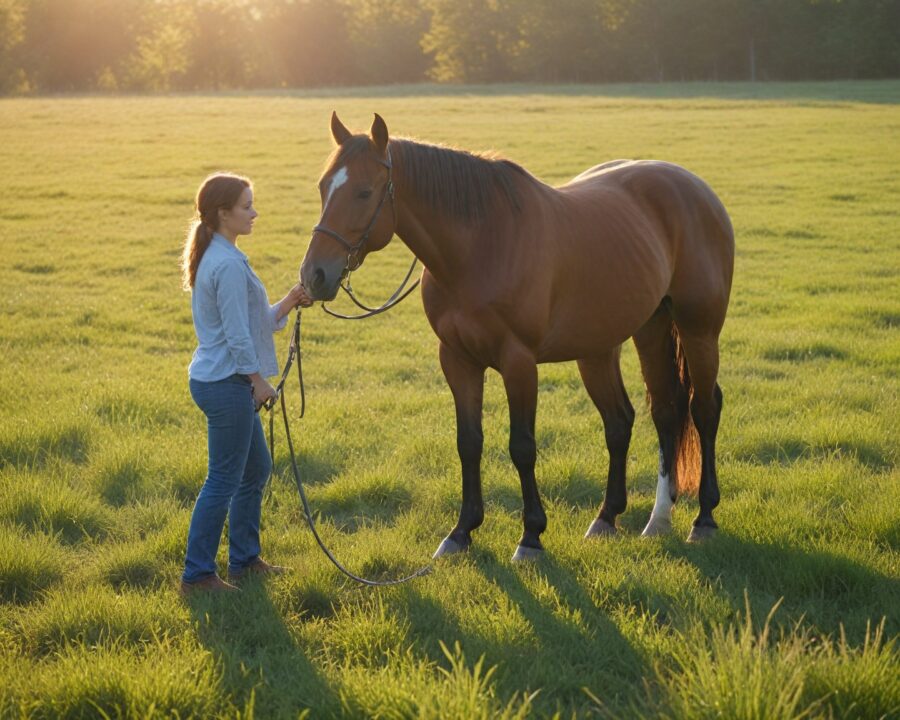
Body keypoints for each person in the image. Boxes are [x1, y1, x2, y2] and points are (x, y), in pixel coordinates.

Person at [180, 172, 312, 594]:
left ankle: (245, 560)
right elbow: (238, 337)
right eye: (247, 206)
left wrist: (290, 301)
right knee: (223, 479)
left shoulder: (224, 256)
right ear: (223, 213)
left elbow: (252, 323)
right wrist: (257, 381)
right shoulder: (226, 264)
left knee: (254, 468)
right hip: (226, 383)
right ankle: (197, 575)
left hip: (222, 380)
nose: (254, 213)